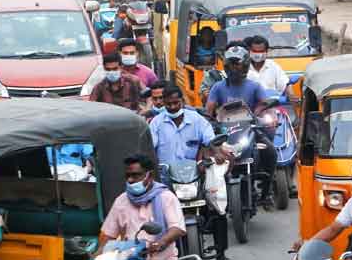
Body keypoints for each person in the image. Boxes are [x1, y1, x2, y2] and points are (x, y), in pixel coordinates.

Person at [150, 86, 231, 260]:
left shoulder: (196, 120)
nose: (172, 107)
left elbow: (210, 140)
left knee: (217, 207)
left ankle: (221, 252)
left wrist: (216, 152)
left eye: (176, 103)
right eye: (168, 104)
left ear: (182, 102)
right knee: (156, 215)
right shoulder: (156, 123)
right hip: (167, 180)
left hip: (195, 176)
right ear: (163, 103)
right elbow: (150, 148)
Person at [205, 43, 276, 204]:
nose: (234, 68)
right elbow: (209, 109)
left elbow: (265, 105)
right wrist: (209, 119)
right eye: (231, 64)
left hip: (249, 130)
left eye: (237, 64)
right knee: (207, 157)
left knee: (271, 152)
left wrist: (267, 116)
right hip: (225, 133)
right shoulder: (218, 87)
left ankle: (267, 190)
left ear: (244, 66)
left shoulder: (254, 86)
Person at [97, 154, 186, 260]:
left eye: (135, 175)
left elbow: (177, 228)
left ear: (150, 175)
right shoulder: (121, 200)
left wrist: (161, 242)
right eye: (127, 176)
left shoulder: (166, 197)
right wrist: (98, 254)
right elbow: (108, 234)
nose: (130, 180)